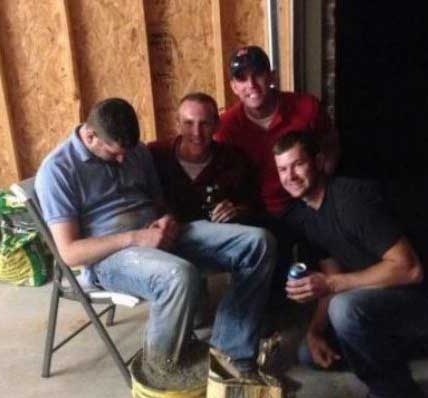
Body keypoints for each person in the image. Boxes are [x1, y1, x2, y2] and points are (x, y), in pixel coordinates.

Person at [35, 98, 277, 378]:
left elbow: (160, 203)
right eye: (114, 154)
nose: (123, 160)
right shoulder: (58, 170)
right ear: (90, 136)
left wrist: (167, 220)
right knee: (178, 276)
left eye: (126, 153)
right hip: (111, 257)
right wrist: (136, 238)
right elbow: (69, 253)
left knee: (258, 243)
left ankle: (227, 353)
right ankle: (159, 373)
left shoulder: (136, 151)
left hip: (155, 235)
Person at [273, 131, 428, 398]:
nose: (290, 176)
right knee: (308, 353)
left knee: (344, 309)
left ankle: (390, 388)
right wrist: (315, 331)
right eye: (282, 169)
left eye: (298, 165)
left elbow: (410, 269)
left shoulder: (351, 199)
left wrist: (332, 285)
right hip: (382, 301)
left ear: (318, 161)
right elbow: (332, 276)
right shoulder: (306, 215)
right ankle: (407, 347)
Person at [215, 45, 338, 218]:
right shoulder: (225, 127)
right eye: (242, 78)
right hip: (257, 213)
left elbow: (331, 145)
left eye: (258, 74)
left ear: (272, 76)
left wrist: (321, 193)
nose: (251, 84)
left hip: (309, 204)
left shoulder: (307, 106)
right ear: (234, 87)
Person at [148, 92, 259, 224]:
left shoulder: (233, 159)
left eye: (204, 124)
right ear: (178, 124)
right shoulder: (155, 154)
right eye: (188, 123)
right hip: (168, 233)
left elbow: (252, 206)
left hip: (218, 233)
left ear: (217, 125)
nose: (197, 132)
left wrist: (235, 211)